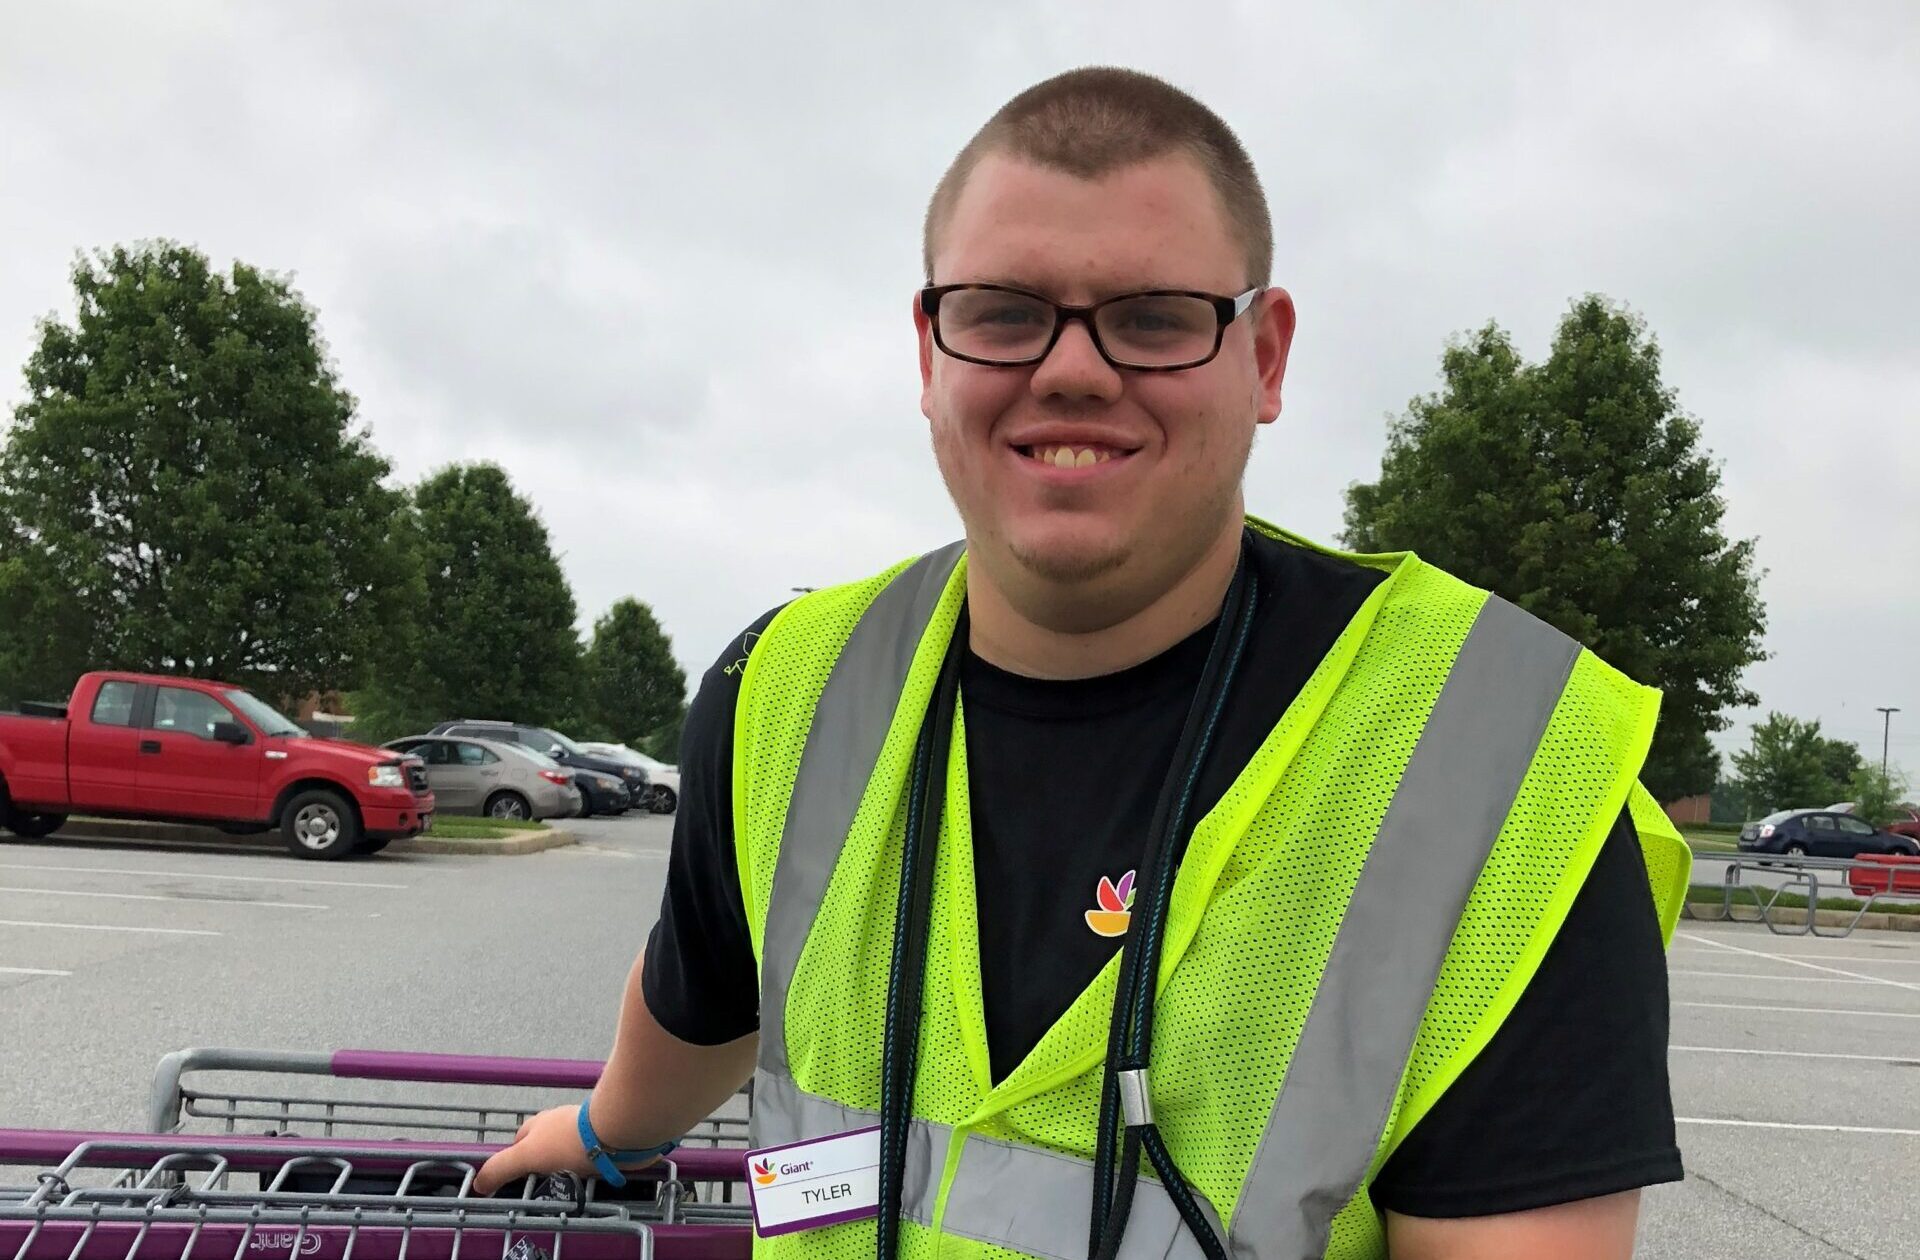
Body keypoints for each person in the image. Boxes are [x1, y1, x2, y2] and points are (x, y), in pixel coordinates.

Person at [475, 67, 1690, 1260]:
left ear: (1265, 358)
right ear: (929, 351)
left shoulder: (1500, 772)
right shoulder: (782, 691)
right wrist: (599, 1131)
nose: (1070, 369)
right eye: (1005, 311)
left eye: (1154, 318)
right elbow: (704, 996)